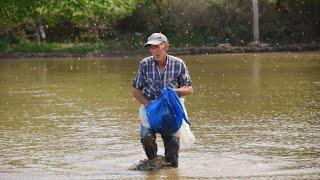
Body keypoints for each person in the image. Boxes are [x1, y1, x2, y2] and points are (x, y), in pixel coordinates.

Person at [132, 32, 193, 167]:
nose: (154, 51)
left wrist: (173, 91)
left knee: (172, 159)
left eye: (157, 47)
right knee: (146, 138)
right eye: (151, 47)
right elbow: (136, 91)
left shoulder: (178, 64)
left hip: (171, 110)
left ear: (165, 46)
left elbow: (189, 89)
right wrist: (148, 106)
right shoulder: (145, 64)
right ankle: (154, 162)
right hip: (151, 107)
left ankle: (169, 170)